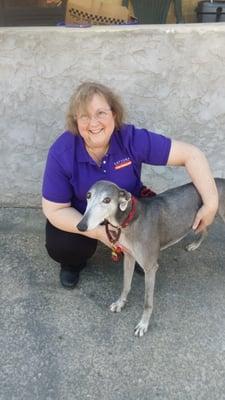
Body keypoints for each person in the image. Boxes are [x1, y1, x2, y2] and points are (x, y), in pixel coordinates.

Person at [42, 81, 218, 289]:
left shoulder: (131, 138)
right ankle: (73, 264)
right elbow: (54, 209)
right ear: (75, 121)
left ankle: (137, 250)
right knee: (64, 246)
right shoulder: (62, 152)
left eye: (101, 113)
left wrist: (211, 203)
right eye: (84, 116)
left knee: (153, 219)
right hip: (84, 214)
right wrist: (99, 233)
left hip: (128, 211)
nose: (93, 123)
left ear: (114, 115)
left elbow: (192, 155)